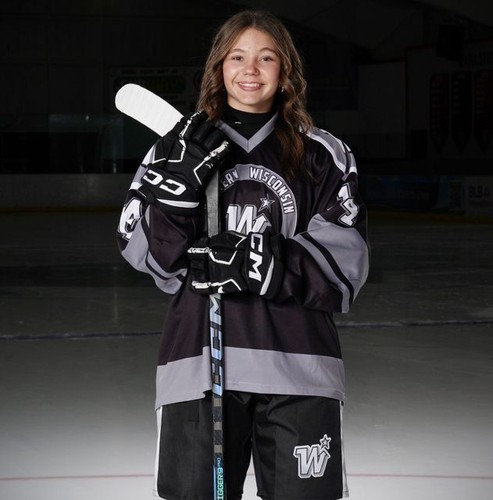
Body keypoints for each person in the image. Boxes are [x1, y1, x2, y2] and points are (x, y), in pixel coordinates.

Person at [117, 9, 369, 500]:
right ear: (219, 66)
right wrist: (177, 190)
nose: (250, 69)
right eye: (237, 57)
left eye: (266, 57)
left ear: (285, 70)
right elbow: (145, 253)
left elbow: (346, 267)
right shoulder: (174, 151)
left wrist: (257, 262)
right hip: (198, 366)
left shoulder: (323, 154)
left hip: (300, 368)